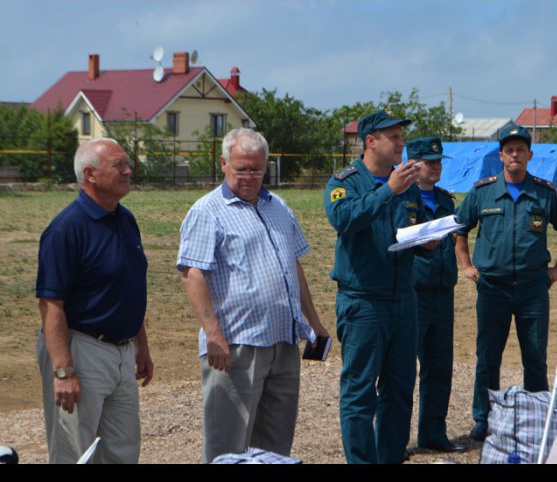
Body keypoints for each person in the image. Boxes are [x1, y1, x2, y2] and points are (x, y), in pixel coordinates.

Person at [177, 128, 329, 463]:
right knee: (228, 448)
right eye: (242, 169)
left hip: (283, 342)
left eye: (257, 169)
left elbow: (294, 265)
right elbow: (192, 274)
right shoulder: (207, 211)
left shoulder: (279, 206)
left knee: (275, 448)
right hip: (235, 346)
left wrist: (314, 323)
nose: (250, 177)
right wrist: (214, 334)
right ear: (223, 163)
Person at [325, 110, 434, 464]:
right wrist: (388, 191)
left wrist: (428, 240)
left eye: (402, 137)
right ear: (371, 141)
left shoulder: (407, 184)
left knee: (400, 389)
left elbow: (408, 230)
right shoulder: (346, 181)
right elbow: (344, 219)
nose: (402, 143)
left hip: (404, 299)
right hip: (364, 303)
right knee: (359, 394)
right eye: (394, 137)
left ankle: (389, 457)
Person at [35, 138, 153, 464]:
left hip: (122, 352)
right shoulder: (65, 230)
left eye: (127, 163)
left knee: (122, 450)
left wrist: (141, 345)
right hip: (81, 349)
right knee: (76, 451)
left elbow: (127, 287)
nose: (129, 171)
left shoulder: (125, 219)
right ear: (90, 174)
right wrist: (63, 372)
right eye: (119, 165)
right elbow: (51, 305)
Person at [454, 126, 557, 441]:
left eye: (521, 149)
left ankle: (537, 418)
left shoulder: (545, 193)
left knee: (535, 356)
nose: (515, 155)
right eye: (509, 150)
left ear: (530, 155)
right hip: (492, 286)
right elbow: (459, 228)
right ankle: (485, 419)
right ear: (501, 156)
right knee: (488, 357)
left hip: (533, 287)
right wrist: (466, 266)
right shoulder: (483, 192)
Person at [406, 137, 467, 453]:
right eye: (431, 161)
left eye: (439, 161)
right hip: (413, 293)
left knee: (439, 366)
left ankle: (433, 433)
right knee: (403, 370)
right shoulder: (403, 198)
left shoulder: (446, 199)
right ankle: (396, 439)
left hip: (443, 291)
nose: (437, 166)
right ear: (413, 164)